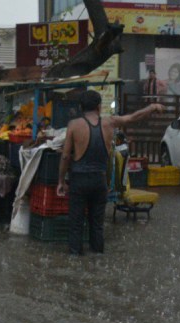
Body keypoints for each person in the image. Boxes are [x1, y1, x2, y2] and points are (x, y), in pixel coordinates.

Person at [56, 90, 165, 255]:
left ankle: (75, 258)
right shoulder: (109, 123)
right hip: (100, 181)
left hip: (79, 180)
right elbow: (133, 117)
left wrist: (61, 181)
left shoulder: (74, 125)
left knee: (76, 223)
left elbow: (65, 156)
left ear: (80, 107)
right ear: (99, 107)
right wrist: (152, 107)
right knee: (97, 224)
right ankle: (98, 256)